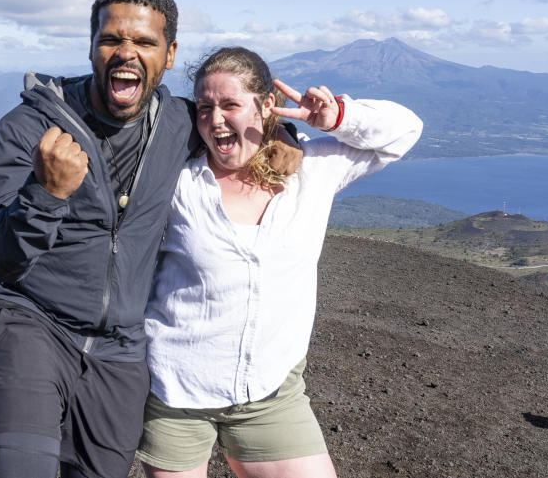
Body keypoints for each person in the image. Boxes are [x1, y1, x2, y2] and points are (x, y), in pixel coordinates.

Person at [0, 0, 301, 478]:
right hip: (32, 320)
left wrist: (284, 136)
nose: (126, 53)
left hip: (121, 344)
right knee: (20, 468)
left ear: (168, 55)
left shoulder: (179, 123)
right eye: (111, 40)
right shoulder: (28, 129)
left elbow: (232, 123)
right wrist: (45, 194)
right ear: (91, 48)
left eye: (144, 42)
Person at [137, 47, 423, 478]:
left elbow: (405, 131)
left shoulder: (314, 168)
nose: (215, 120)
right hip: (177, 390)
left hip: (270, 390)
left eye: (230, 105)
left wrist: (339, 118)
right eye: (204, 108)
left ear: (266, 105)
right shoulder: (179, 181)